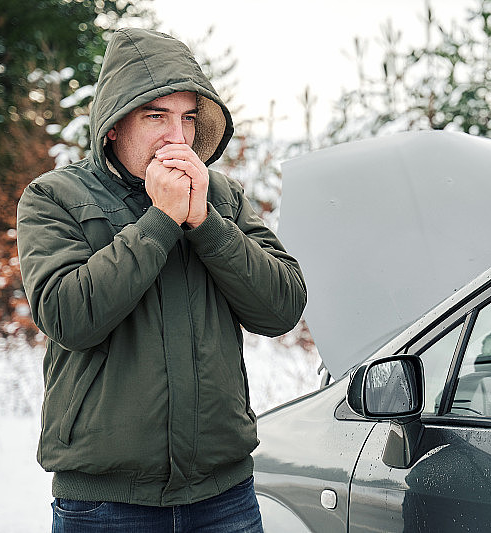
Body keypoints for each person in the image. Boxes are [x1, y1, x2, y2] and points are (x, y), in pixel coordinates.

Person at [16, 28, 307, 532]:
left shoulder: (221, 196)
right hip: (105, 506)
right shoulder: (54, 197)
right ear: (113, 127)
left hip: (224, 497)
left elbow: (282, 307)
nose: (179, 137)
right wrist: (159, 221)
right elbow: (68, 315)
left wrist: (207, 225)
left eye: (188, 118)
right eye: (156, 116)